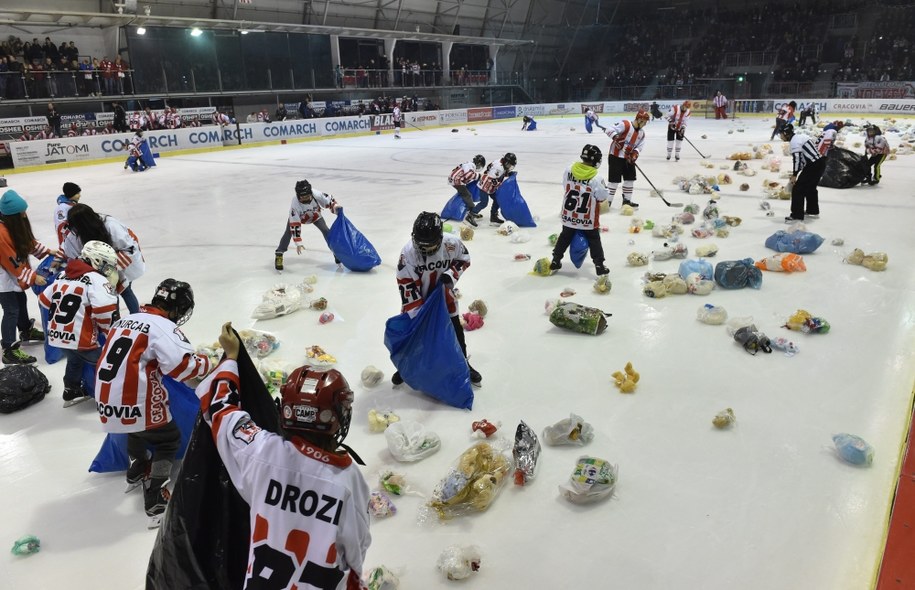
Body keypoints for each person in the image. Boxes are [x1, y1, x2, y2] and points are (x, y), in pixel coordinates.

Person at [195, 323, 371, 588]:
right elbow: (356, 553)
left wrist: (231, 358)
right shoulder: (348, 481)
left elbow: (221, 410)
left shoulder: (261, 452)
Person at [95, 278, 211, 525]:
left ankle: (136, 471)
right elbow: (182, 368)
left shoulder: (125, 319)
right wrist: (210, 361)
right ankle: (156, 497)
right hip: (133, 398)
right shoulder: (162, 326)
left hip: (105, 400)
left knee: (137, 431)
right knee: (168, 439)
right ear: (178, 308)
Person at [394, 212, 480, 386]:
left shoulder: (452, 243)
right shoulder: (408, 253)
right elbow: (406, 282)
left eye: (430, 245)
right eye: (421, 245)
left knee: (456, 333)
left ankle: (463, 363)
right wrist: (420, 313)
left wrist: (451, 275)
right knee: (415, 337)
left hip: (445, 299)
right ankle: (406, 366)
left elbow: (464, 258)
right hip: (418, 300)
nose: (425, 249)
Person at [38, 241, 119, 407]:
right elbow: (105, 311)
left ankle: (71, 390)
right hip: (82, 337)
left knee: (74, 360)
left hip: (58, 336)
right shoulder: (96, 280)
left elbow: (44, 300)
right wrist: (111, 332)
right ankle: (107, 399)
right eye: (106, 263)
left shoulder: (62, 275)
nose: (108, 268)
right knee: (103, 364)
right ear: (95, 260)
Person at [56, 203, 145, 314]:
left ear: (83, 223)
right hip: (95, 269)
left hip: (118, 264)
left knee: (124, 290)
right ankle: (114, 322)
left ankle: (137, 317)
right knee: (109, 296)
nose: (73, 229)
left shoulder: (111, 225)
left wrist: (109, 269)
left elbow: (129, 249)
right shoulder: (74, 235)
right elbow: (72, 254)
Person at [0, 190, 50, 365]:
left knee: (20, 301)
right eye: (21, 212)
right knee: (11, 309)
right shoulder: (0, 233)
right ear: (12, 215)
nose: (24, 215)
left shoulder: (11, 224)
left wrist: (46, 252)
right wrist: (33, 277)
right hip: (3, 279)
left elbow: (25, 241)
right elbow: (11, 262)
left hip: (10, 275)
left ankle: (26, 331)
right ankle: (9, 349)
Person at [549, 144, 610, 276]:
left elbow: (566, 186)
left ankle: (555, 260)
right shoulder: (596, 178)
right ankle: (599, 265)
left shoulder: (569, 170)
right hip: (587, 218)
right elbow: (602, 196)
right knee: (594, 240)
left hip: (569, 215)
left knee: (564, 237)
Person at [274, 179, 341, 271]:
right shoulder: (295, 203)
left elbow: (328, 200)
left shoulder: (316, 193)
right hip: (299, 218)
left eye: (307, 196)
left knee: (326, 231)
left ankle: (336, 252)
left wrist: (336, 207)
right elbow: (295, 223)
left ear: (311, 193)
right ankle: (279, 253)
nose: (304, 199)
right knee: (287, 233)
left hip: (315, 216)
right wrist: (298, 242)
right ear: (298, 196)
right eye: (302, 197)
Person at [780, 124, 826, 223]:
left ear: (785, 133)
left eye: (781, 134)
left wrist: (795, 174)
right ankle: (812, 210)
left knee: (798, 189)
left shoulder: (794, 142)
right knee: (811, 188)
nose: (780, 137)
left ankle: (797, 215)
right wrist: (797, 172)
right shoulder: (801, 136)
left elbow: (797, 159)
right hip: (820, 163)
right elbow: (803, 159)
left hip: (813, 166)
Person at [603, 109, 649, 209]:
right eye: (644, 122)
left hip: (628, 159)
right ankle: (607, 202)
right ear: (639, 120)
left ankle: (627, 201)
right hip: (615, 156)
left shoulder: (642, 133)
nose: (645, 124)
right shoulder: (626, 124)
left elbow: (639, 146)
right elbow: (609, 129)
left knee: (630, 179)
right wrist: (616, 137)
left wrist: (635, 154)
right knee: (614, 181)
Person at [472, 152, 516, 226]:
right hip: (484, 186)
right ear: (506, 162)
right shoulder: (498, 168)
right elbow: (493, 180)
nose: (510, 167)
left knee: (498, 199)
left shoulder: (501, 162)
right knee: (484, 203)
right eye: (509, 164)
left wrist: (507, 174)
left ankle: (493, 217)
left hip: (489, 185)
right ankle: (471, 215)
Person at [448, 155, 486, 227]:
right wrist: (479, 176)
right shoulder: (470, 165)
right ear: (479, 164)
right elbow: (468, 175)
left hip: (455, 179)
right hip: (456, 180)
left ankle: (471, 209)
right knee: (467, 195)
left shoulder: (469, 164)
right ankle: (472, 211)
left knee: (464, 192)